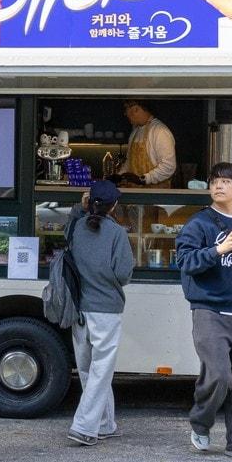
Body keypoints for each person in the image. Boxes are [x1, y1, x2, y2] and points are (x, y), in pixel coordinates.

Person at [174, 162, 232, 462]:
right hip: (208, 308)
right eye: (214, 181)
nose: (219, 186)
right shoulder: (199, 224)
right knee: (219, 375)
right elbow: (185, 262)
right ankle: (201, 422)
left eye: (227, 182)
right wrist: (220, 248)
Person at [63, 180, 135, 446]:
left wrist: (78, 209)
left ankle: (105, 423)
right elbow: (123, 273)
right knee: (101, 370)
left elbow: (66, 234)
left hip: (80, 308)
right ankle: (84, 426)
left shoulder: (77, 228)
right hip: (106, 309)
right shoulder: (117, 233)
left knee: (87, 368)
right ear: (114, 205)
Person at [115, 99, 177, 187]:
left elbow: (168, 167)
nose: (125, 114)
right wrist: (119, 176)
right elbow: (129, 162)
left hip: (156, 196)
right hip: (137, 194)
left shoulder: (160, 132)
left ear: (135, 109)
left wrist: (144, 179)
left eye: (126, 110)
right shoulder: (135, 133)